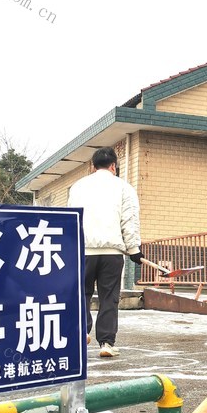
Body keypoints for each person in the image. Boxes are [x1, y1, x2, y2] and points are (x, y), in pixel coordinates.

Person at [67, 147, 142, 358]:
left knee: (82, 294)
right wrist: (134, 248)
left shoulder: (78, 187)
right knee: (109, 297)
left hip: (83, 251)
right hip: (111, 252)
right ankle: (106, 343)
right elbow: (129, 220)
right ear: (114, 167)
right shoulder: (124, 188)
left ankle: (81, 333)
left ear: (92, 166)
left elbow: (72, 217)